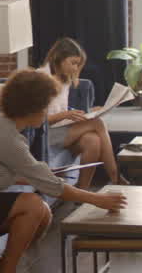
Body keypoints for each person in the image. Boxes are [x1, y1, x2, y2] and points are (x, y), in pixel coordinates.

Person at [0, 69, 127, 273]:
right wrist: (98, 200)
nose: (48, 112)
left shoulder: (2, 125)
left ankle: (1, 271)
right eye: (45, 106)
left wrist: (35, 176)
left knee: (44, 214)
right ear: (32, 107)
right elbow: (54, 188)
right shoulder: (6, 136)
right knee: (34, 205)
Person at [38, 37, 122, 189]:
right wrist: (65, 115)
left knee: (93, 140)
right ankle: (115, 176)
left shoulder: (64, 79)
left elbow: (58, 109)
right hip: (44, 134)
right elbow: (36, 120)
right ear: (58, 59)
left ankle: (82, 191)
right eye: (73, 63)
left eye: (78, 64)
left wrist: (86, 112)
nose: (76, 68)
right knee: (98, 123)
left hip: (59, 128)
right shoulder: (40, 79)